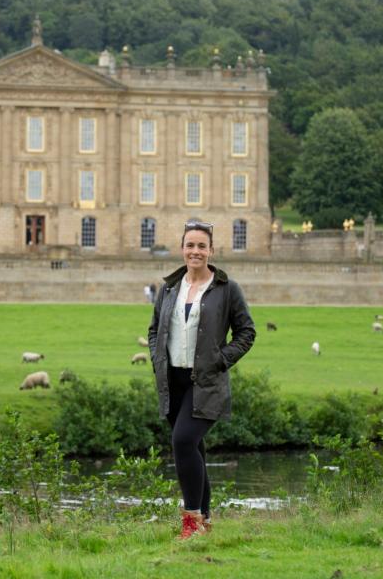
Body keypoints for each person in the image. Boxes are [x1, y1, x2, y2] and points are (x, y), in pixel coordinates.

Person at [147, 220, 256, 539]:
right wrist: (157, 358)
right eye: (190, 245)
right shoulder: (169, 287)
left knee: (182, 441)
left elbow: (246, 333)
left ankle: (191, 523)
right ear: (182, 249)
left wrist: (221, 360)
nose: (195, 251)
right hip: (173, 381)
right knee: (193, 447)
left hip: (205, 382)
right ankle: (205, 521)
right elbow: (154, 329)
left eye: (201, 246)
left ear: (211, 250)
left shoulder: (226, 289)